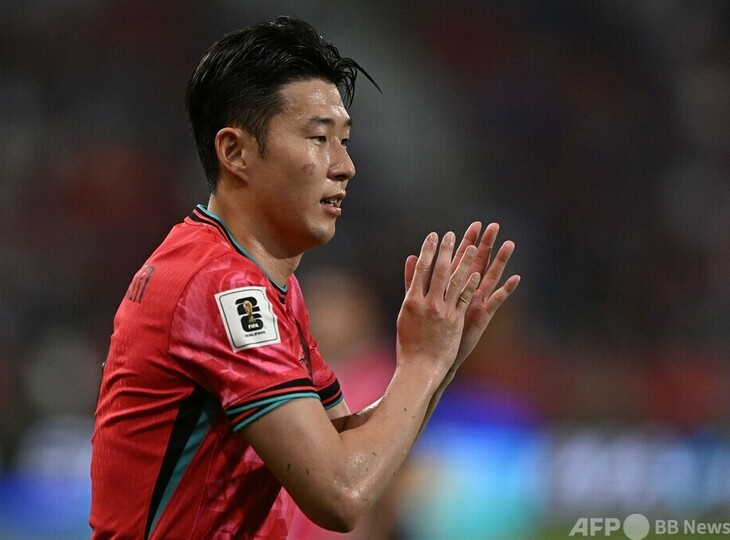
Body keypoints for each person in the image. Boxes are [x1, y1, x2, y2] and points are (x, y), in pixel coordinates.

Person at [89, 15, 520, 539]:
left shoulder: (259, 280)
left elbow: (349, 452)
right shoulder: (222, 286)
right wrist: (422, 363)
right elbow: (341, 495)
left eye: (345, 140)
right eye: (319, 138)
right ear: (235, 152)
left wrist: (439, 361)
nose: (345, 166)